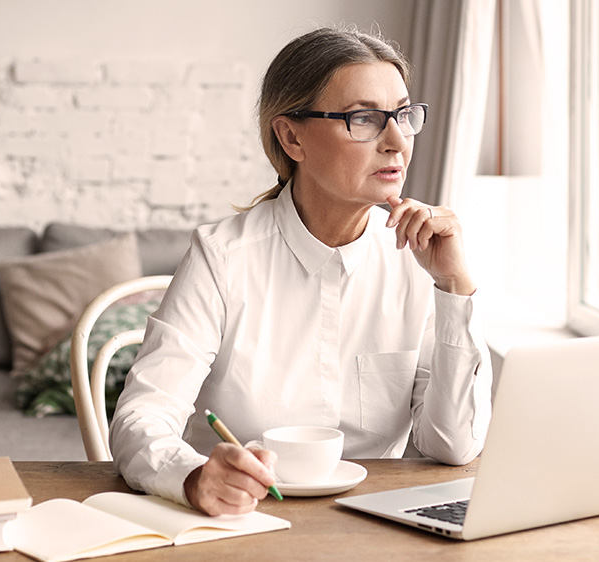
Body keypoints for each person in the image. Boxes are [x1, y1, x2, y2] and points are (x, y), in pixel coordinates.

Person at [108, 26, 492, 516]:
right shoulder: (221, 256)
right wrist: (194, 477)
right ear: (292, 137)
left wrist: (455, 287)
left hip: (377, 526)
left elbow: (453, 447)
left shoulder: (419, 258)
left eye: (402, 115)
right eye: (365, 119)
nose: (397, 141)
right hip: (245, 519)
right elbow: (142, 416)